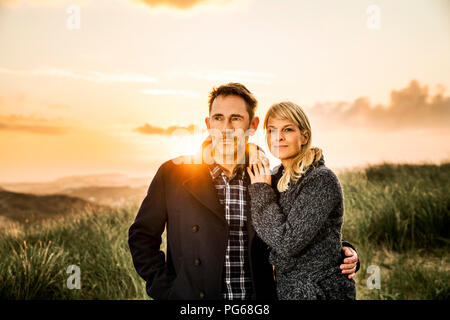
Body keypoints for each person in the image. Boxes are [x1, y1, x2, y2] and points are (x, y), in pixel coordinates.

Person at [128, 83, 359, 300]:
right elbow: (142, 237)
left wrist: (345, 253)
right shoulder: (174, 175)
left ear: (253, 126)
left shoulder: (270, 178)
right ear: (208, 124)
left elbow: (300, 229)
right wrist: (168, 291)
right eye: (218, 118)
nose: (226, 128)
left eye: (235, 118)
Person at [246, 101, 357, 300]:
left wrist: (261, 191)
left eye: (287, 129)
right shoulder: (272, 177)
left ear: (304, 136)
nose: (278, 137)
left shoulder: (320, 179)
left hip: (321, 292)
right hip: (285, 292)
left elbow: (288, 242)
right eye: (271, 130)